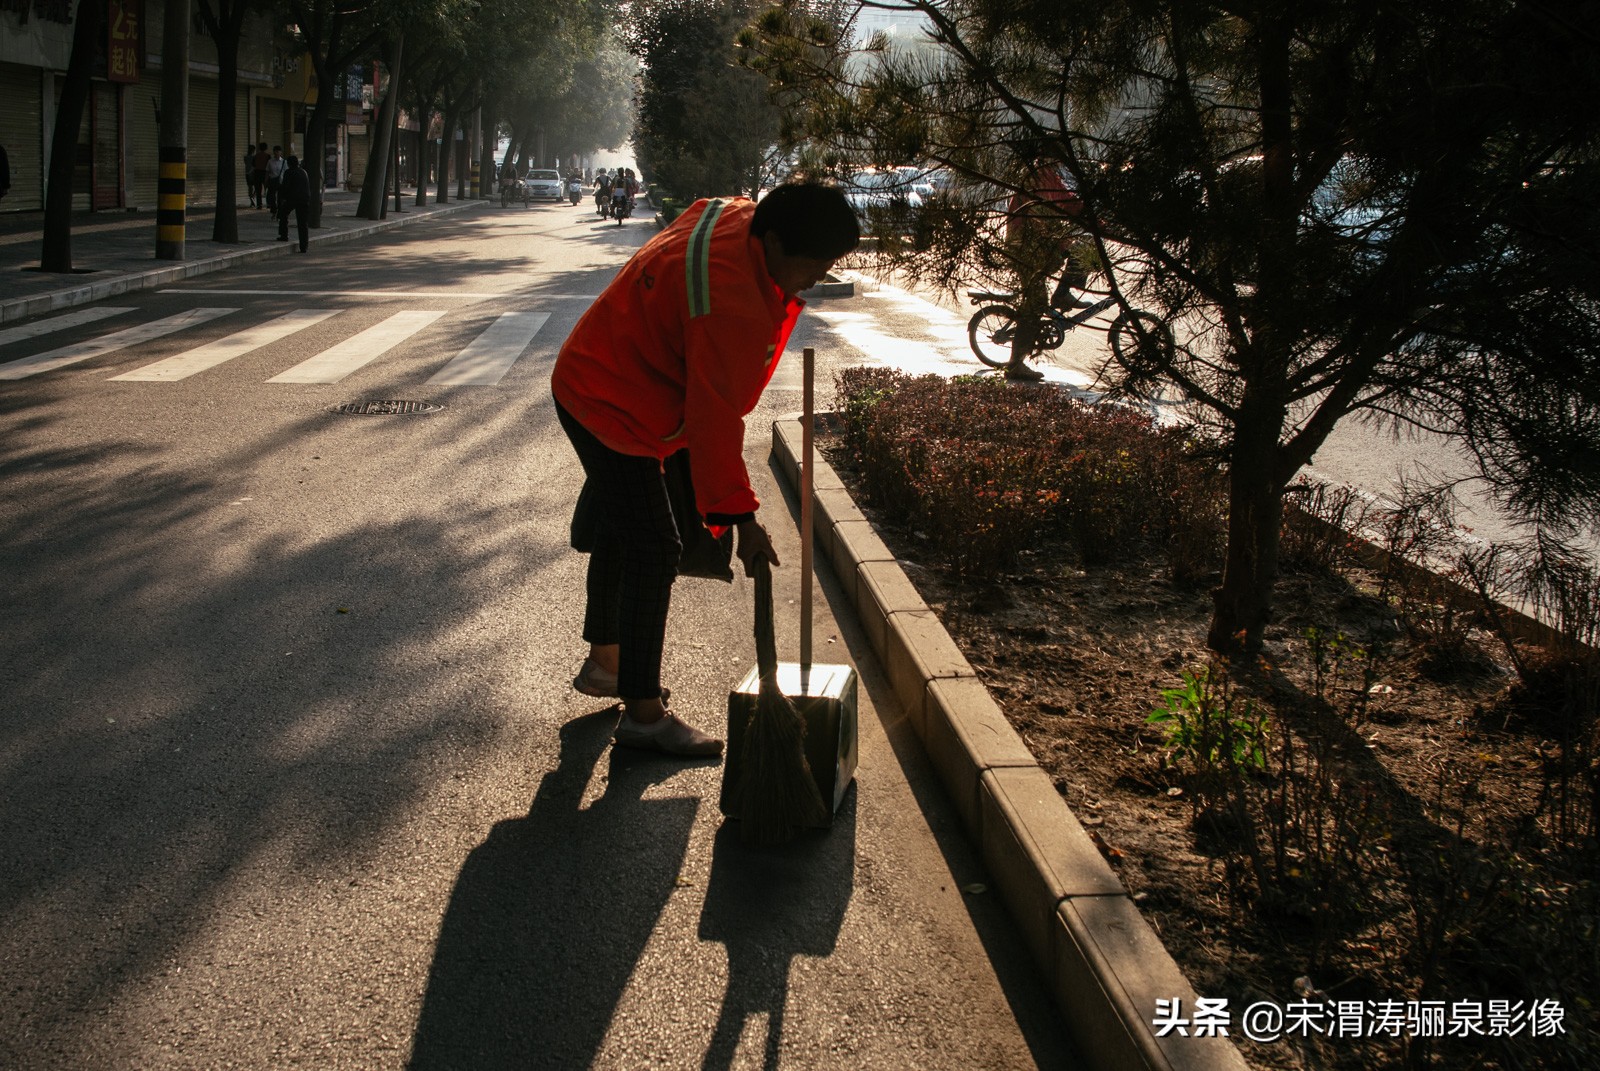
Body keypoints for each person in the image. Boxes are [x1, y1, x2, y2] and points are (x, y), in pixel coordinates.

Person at [551, 183, 860, 757]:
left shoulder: (735, 215)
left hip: (601, 368)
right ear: (774, 241)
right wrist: (743, 520)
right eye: (813, 264)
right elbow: (713, 421)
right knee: (653, 547)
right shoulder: (730, 304)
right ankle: (643, 715)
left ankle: (607, 666)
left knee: (625, 528)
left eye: (828, 265)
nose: (818, 277)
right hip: (613, 401)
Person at [1003, 156, 1087, 381]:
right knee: (1035, 303)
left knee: (1082, 250)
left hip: (1036, 247)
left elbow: (1066, 201)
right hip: (1027, 248)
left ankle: (1062, 293)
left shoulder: (1046, 175)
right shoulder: (1038, 177)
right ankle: (1015, 365)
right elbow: (1048, 214)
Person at [277, 154, 311, 252]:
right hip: (304, 199)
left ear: (289, 164)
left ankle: (284, 235)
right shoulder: (303, 172)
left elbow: (285, 187)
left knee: (283, 213)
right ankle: (304, 246)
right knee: (303, 223)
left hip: (293, 199)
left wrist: (282, 198)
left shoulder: (289, 172)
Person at [264, 146, 286, 214]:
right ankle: (273, 209)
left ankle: (280, 210)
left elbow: (286, 172)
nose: (276, 153)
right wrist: (266, 181)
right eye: (275, 151)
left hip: (281, 181)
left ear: (281, 152)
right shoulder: (270, 161)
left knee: (280, 197)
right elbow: (267, 172)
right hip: (272, 181)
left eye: (278, 151)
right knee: (272, 196)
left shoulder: (284, 162)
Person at [250, 142, 270, 210]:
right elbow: (269, 165)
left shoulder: (256, 156)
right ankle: (268, 204)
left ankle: (259, 205)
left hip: (257, 173)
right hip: (265, 173)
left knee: (258, 190)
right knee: (267, 189)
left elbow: (253, 166)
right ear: (266, 148)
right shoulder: (268, 156)